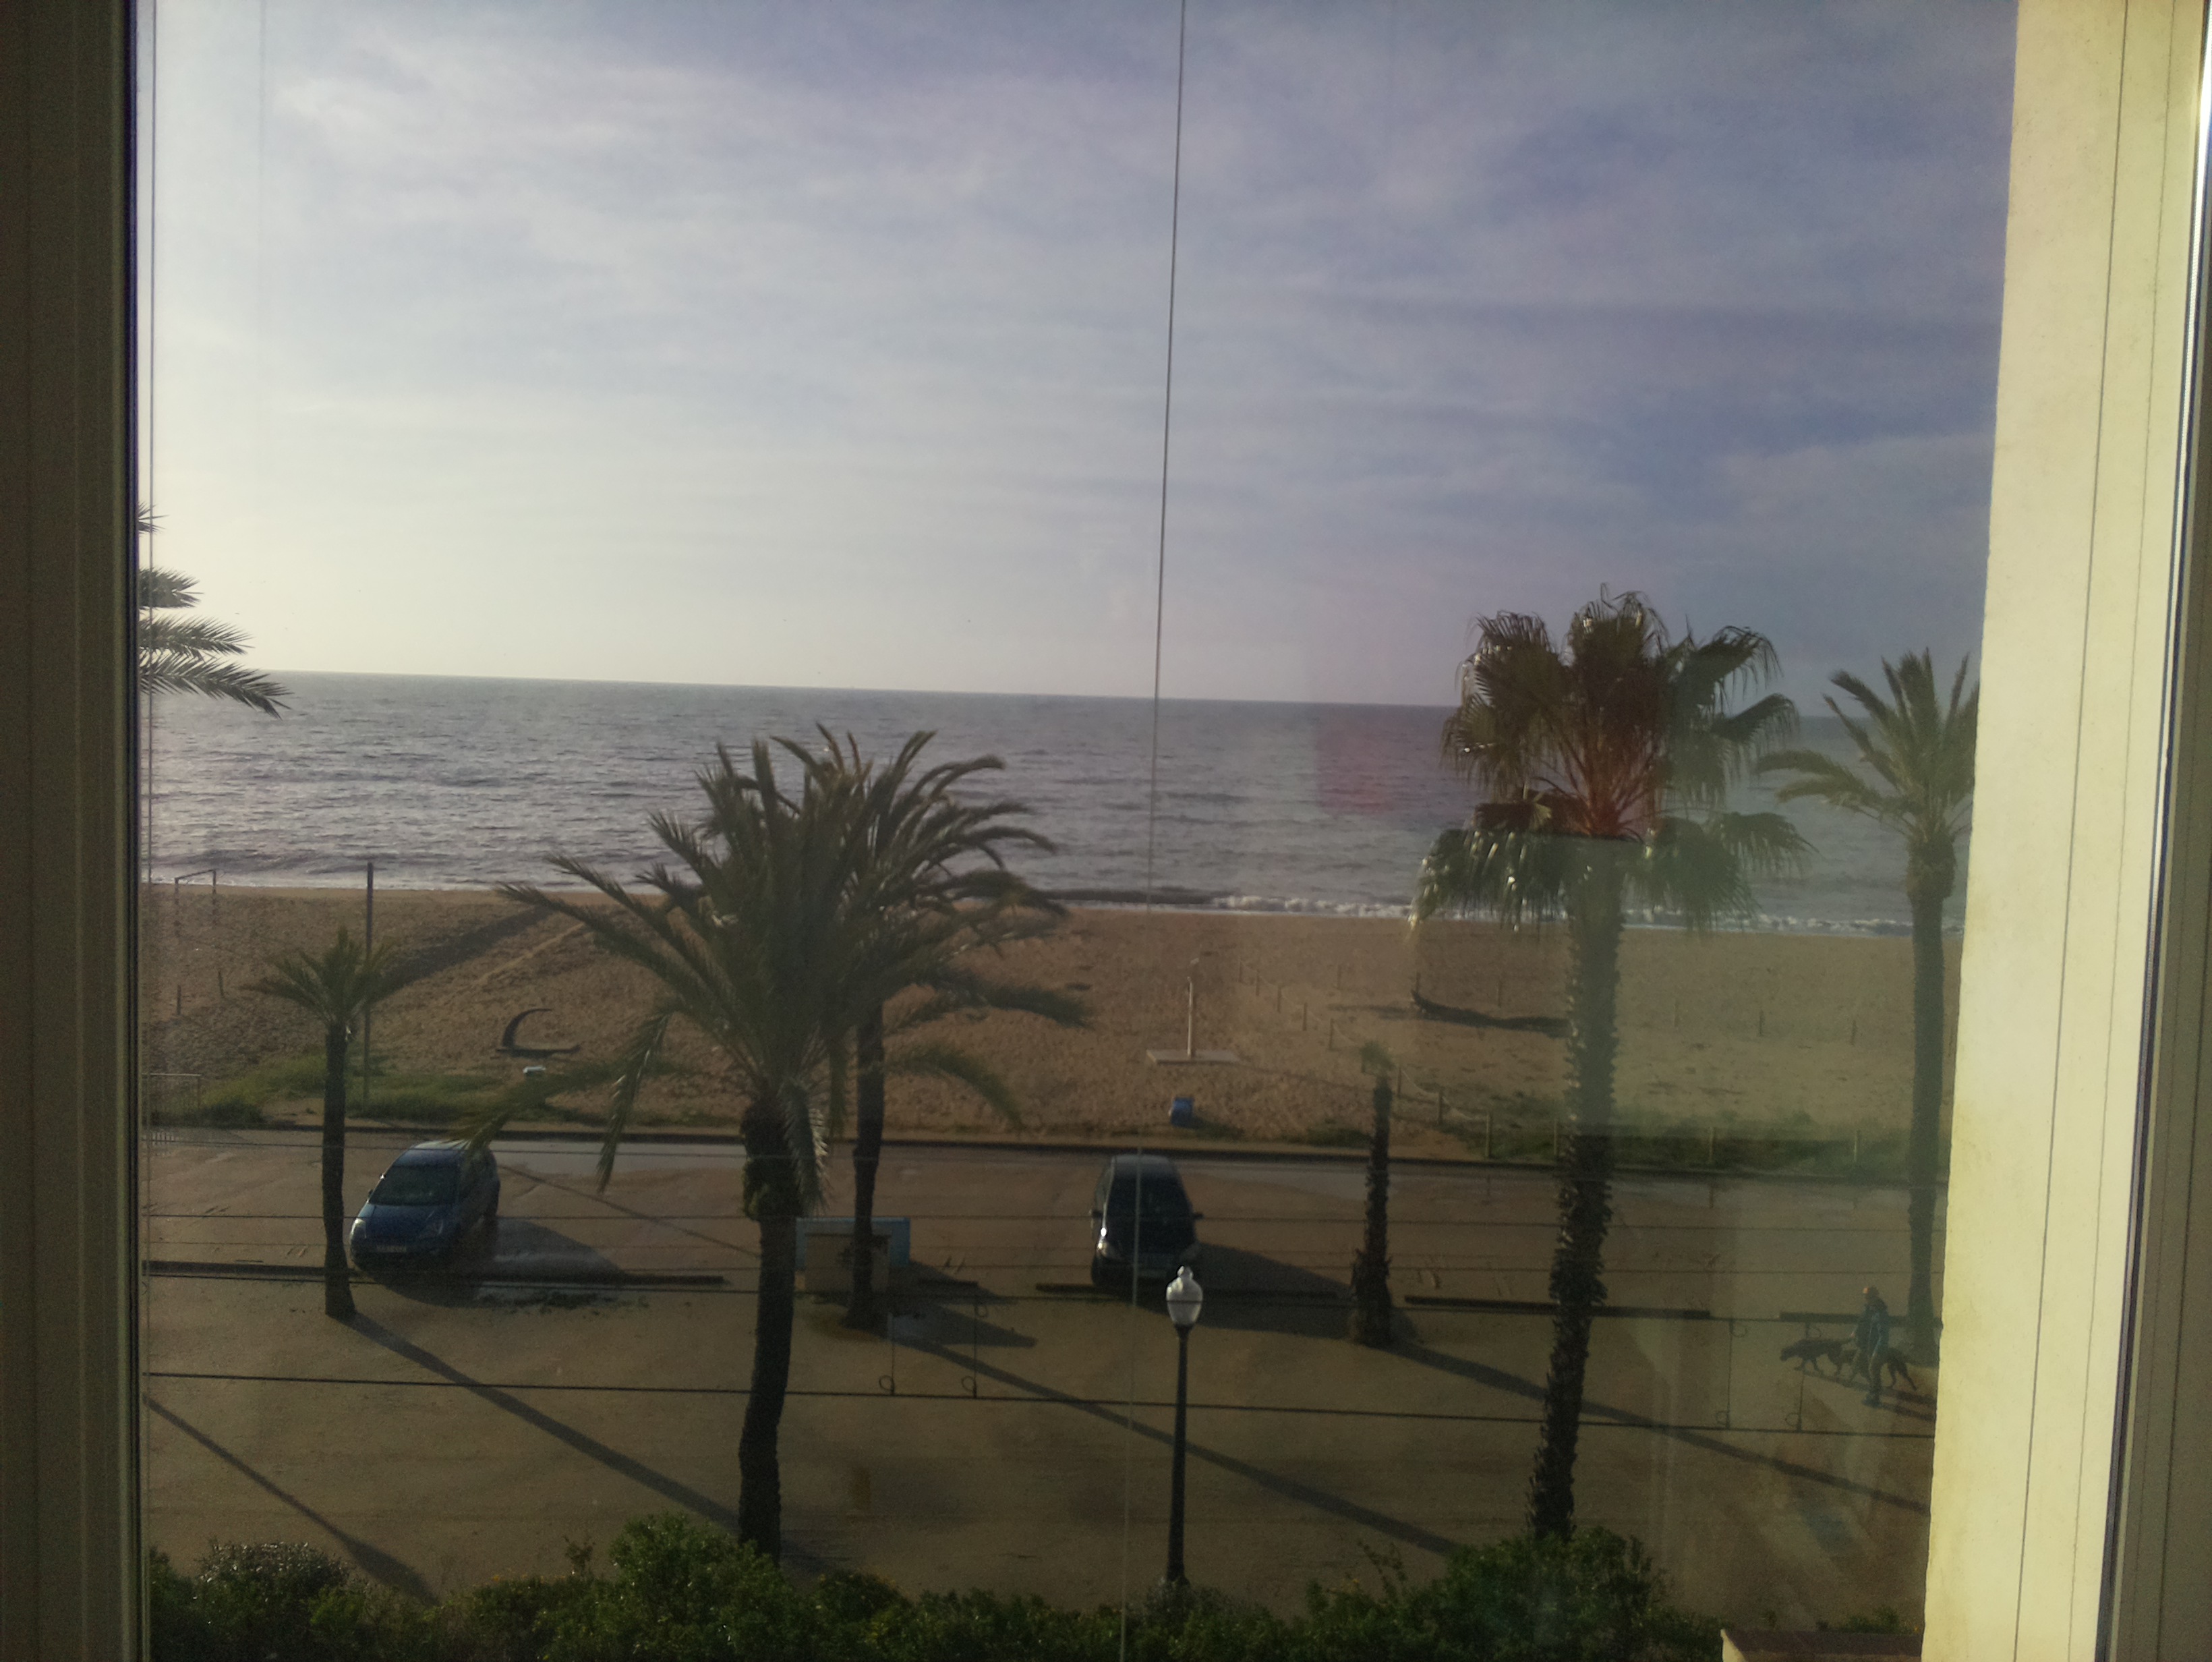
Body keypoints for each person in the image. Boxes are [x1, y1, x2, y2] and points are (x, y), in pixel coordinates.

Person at [1855, 1285, 1892, 1407]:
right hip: (1866, 1346)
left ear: (1874, 1297)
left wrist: (1877, 1352)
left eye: (1868, 1296)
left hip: (1876, 1348)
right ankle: (1873, 1387)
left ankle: (1875, 1397)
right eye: (1865, 1296)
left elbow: (1883, 1336)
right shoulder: (1868, 1309)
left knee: (1873, 1370)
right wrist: (1855, 1332)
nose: (1866, 1299)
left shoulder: (1881, 1313)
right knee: (1860, 1365)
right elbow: (1861, 1323)